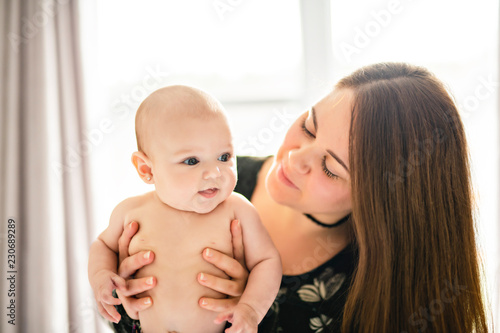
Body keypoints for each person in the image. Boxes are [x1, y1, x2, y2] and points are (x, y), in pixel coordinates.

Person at [112, 63, 489, 333]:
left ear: (383, 201)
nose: (294, 158)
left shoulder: (372, 290)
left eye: (330, 168)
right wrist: (125, 290)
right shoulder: (212, 181)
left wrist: (252, 306)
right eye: (308, 126)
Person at [88, 85, 282, 333]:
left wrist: (251, 308)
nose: (215, 172)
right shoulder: (131, 211)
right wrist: (101, 275)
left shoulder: (237, 210)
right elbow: (102, 245)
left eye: (224, 156)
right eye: (192, 161)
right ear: (147, 169)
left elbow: (267, 261)